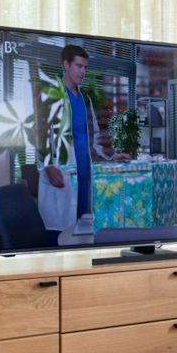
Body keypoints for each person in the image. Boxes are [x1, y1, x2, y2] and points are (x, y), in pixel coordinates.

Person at [40, 42, 102, 220]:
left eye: (85, 67)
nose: (83, 72)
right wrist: (48, 166)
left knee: (83, 228)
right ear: (66, 65)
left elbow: (93, 138)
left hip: (84, 175)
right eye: (78, 66)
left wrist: (111, 156)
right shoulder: (50, 95)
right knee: (61, 232)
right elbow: (38, 136)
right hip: (62, 175)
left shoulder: (85, 100)